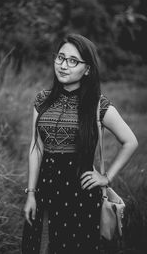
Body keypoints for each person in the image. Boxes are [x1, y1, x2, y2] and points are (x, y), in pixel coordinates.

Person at [21, 33, 138, 254]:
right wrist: (30, 194)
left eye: (73, 61)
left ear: (87, 69)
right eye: (60, 58)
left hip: (80, 194)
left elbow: (130, 141)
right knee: (40, 246)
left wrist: (106, 177)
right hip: (45, 189)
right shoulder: (42, 100)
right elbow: (36, 148)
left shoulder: (98, 106)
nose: (63, 65)